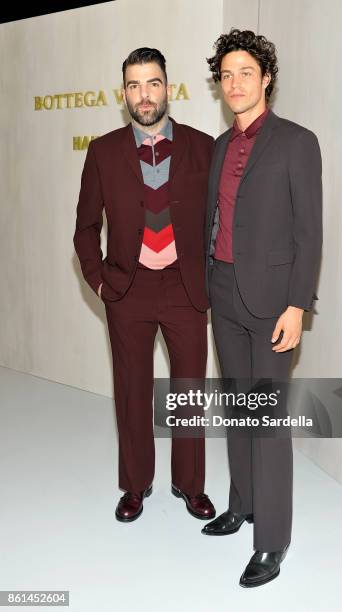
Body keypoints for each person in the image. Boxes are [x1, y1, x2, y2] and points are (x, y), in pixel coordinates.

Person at [73, 47, 215, 523]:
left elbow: (220, 221)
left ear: (167, 88)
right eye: (134, 85)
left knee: (190, 390)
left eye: (152, 83)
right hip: (127, 290)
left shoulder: (203, 146)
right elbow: (85, 227)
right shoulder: (103, 151)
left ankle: (190, 485)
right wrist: (98, 281)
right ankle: (134, 485)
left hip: (185, 288)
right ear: (123, 94)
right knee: (131, 389)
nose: (144, 94)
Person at [202, 29, 322, 587]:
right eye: (226, 74)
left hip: (274, 303)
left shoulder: (298, 142)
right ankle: (242, 504)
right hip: (223, 293)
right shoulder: (220, 145)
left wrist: (298, 305)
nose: (235, 83)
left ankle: (272, 539)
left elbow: (309, 233)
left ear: (266, 78)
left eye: (245, 72)